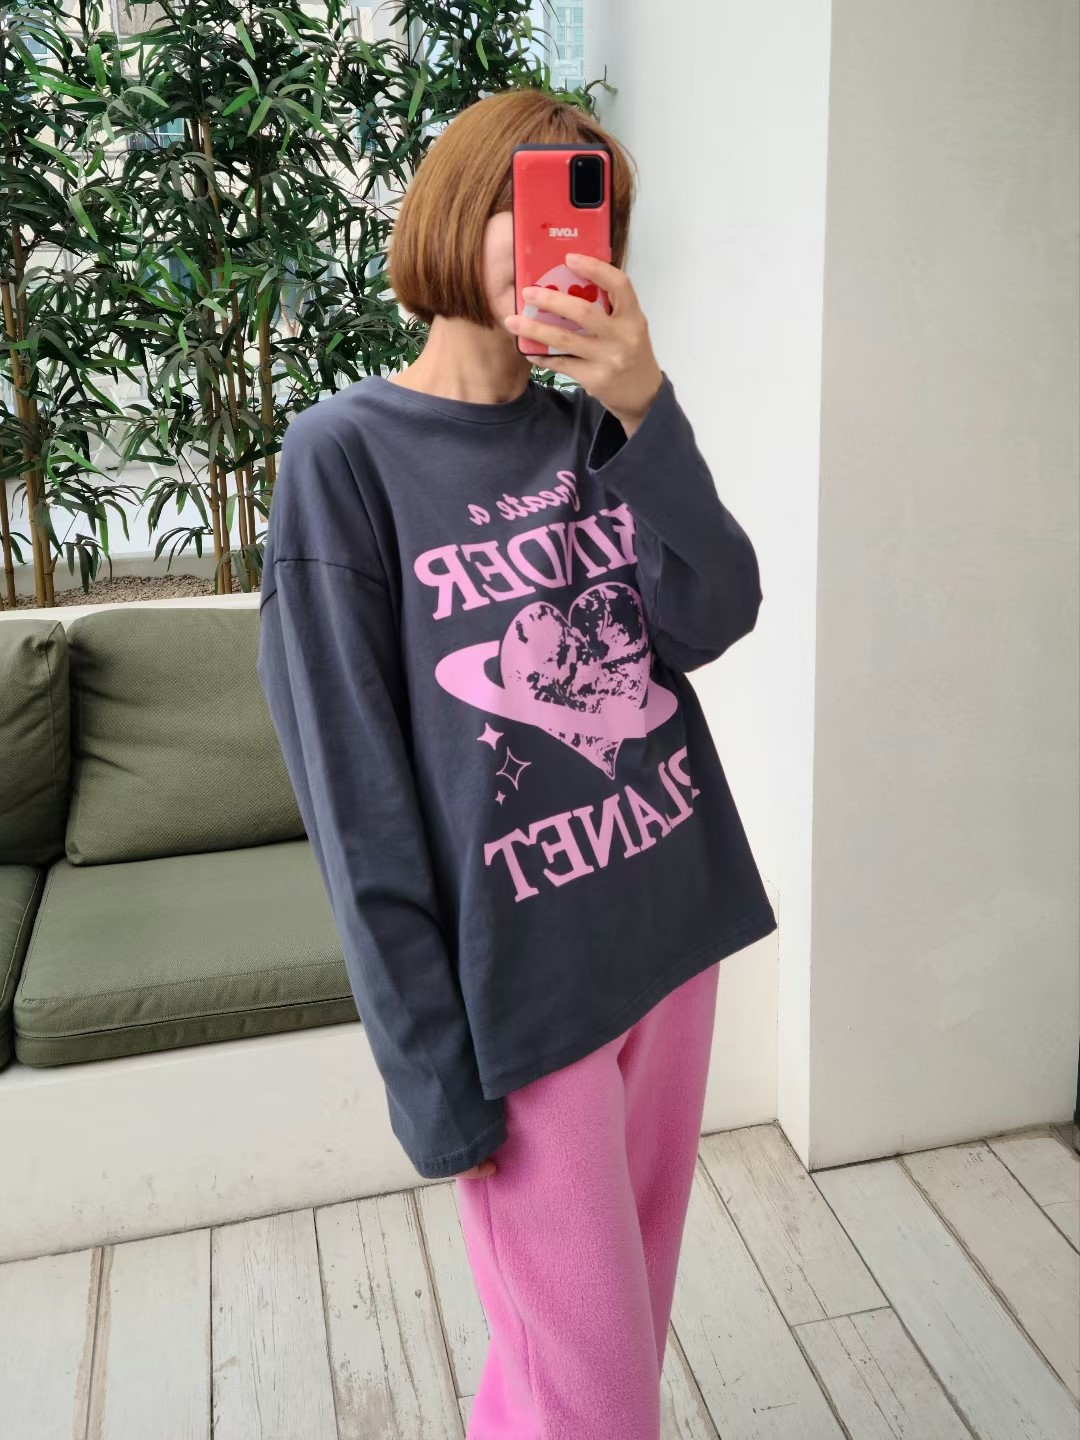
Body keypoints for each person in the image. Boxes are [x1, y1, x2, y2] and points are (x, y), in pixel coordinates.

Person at [256, 87, 777, 1440]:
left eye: (587, 214)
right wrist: (428, 1069)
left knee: (601, 1351)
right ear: (454, 209)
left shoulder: (597, 431)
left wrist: (645, 408)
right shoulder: (344, 456)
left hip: (670, 935)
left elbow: (713, 613)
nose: (554, 238)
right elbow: (354, 796)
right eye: (526, 200)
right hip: (522, 997)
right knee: (591, 1390)